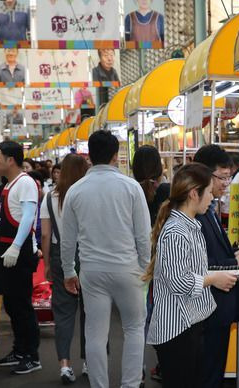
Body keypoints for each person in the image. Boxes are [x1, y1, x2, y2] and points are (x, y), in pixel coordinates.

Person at [61, 130, 151, 388]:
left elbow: (69, 240)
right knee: (134, 329)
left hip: (92, 271)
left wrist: (69, 271)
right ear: (116, 155)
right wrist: (146, 267)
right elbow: (143, 236)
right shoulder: (131, 187)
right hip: (128, 269)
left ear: (89, 155)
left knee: (95, 335)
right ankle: (130, 385)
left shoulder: (76, 191)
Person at [145, 163, 237, 388]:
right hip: (177, 328)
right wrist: (214, 279)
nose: (211, 198)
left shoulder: (191, 226)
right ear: (194, 194)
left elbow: (192, 271)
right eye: (208, 192)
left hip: (190, 322)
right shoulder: (177, 230)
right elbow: (179, 281)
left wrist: (216, 275)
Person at [193, 144, 239, 388]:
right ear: (204, 175)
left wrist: (235, 254)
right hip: (208, 309)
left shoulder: (209, 208)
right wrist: (234, 262)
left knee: (213, 371)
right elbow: (199, 263)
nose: (227, 183)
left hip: (216, 310)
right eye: (223, 177)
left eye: (230, 177)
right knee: (207, 373)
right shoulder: (195, 213)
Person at [0, 141, 41, 374]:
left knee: (22, 305)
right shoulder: (10, 184)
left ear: (10, 160)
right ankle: (19, 350)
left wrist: (16, 246)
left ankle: (32, 355)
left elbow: (29, 217)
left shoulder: (26, 183)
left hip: (17, 255)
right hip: (6, 253)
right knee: (11, 303)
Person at [41, 154, 89, 384]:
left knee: (63, 313)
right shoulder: (87, 195)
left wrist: (48, 264)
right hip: (89, 256)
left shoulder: (50, 197)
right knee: (92, 311)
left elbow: (45, 234)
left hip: (61, 256)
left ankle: (64, 365)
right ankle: (91, 361)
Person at [132, 145, 170, 381]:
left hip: (138, 264)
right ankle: (165, 365)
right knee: (164, 315)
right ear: (160, 167)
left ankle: (138, 372)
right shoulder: (167, 190)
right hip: (166, 262)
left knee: (138, 323)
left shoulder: (131, 190)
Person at [27, 170, 45, 251]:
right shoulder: (22, 207)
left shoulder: (44, 205)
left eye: (39, 186)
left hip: (42, 246)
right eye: (35, 186)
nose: (37, 189)